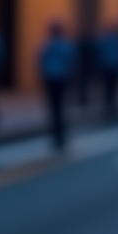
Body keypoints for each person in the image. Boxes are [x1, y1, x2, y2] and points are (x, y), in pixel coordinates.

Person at [39, 22, 75, 150]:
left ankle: (57, 134)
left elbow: (40, 61)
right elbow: (71, 61)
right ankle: (59, 134)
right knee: (58, 107)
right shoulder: (64, 46)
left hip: (52, 78)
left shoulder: (47, 45)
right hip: (60, 78)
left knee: (54, 108)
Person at [97, 23, 118, 119]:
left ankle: (109, 104)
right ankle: (112, 104)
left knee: (108, 87)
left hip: (108, 66)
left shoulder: (106, 40)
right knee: (113, 86)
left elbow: (101, 53)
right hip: (114, 66)